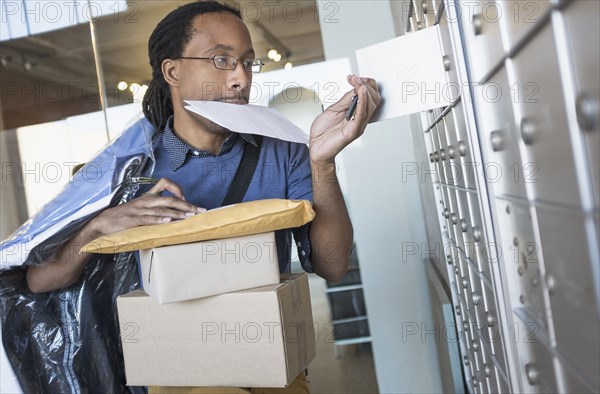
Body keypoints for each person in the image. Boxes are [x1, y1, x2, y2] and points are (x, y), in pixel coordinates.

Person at [2, 1, 380, 393]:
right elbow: (40, 280)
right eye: (221, 59)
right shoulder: (130, 168)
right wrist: (97, 227)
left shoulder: (284, 152)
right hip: (174, 374)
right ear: (172, 71)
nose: (240, 79)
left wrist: (322, 164)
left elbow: (333, 266)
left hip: (270, 369)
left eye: (248, 63)